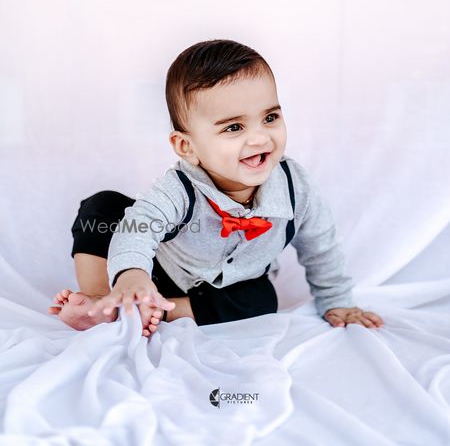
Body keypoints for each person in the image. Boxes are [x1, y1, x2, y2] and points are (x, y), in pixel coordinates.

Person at [49, 39, 384, 336]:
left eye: (270, 118)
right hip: (160, 269)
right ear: (186, 147)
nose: (259, 138)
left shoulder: (296, 189)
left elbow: (321, 246)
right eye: (234, 127)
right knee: (103, 208)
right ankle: (104, 300)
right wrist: (132, 274)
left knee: (262, 301)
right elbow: (140, 227)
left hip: (225, 287)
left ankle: (163, 311)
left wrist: (338, 300)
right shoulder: (180, 188)